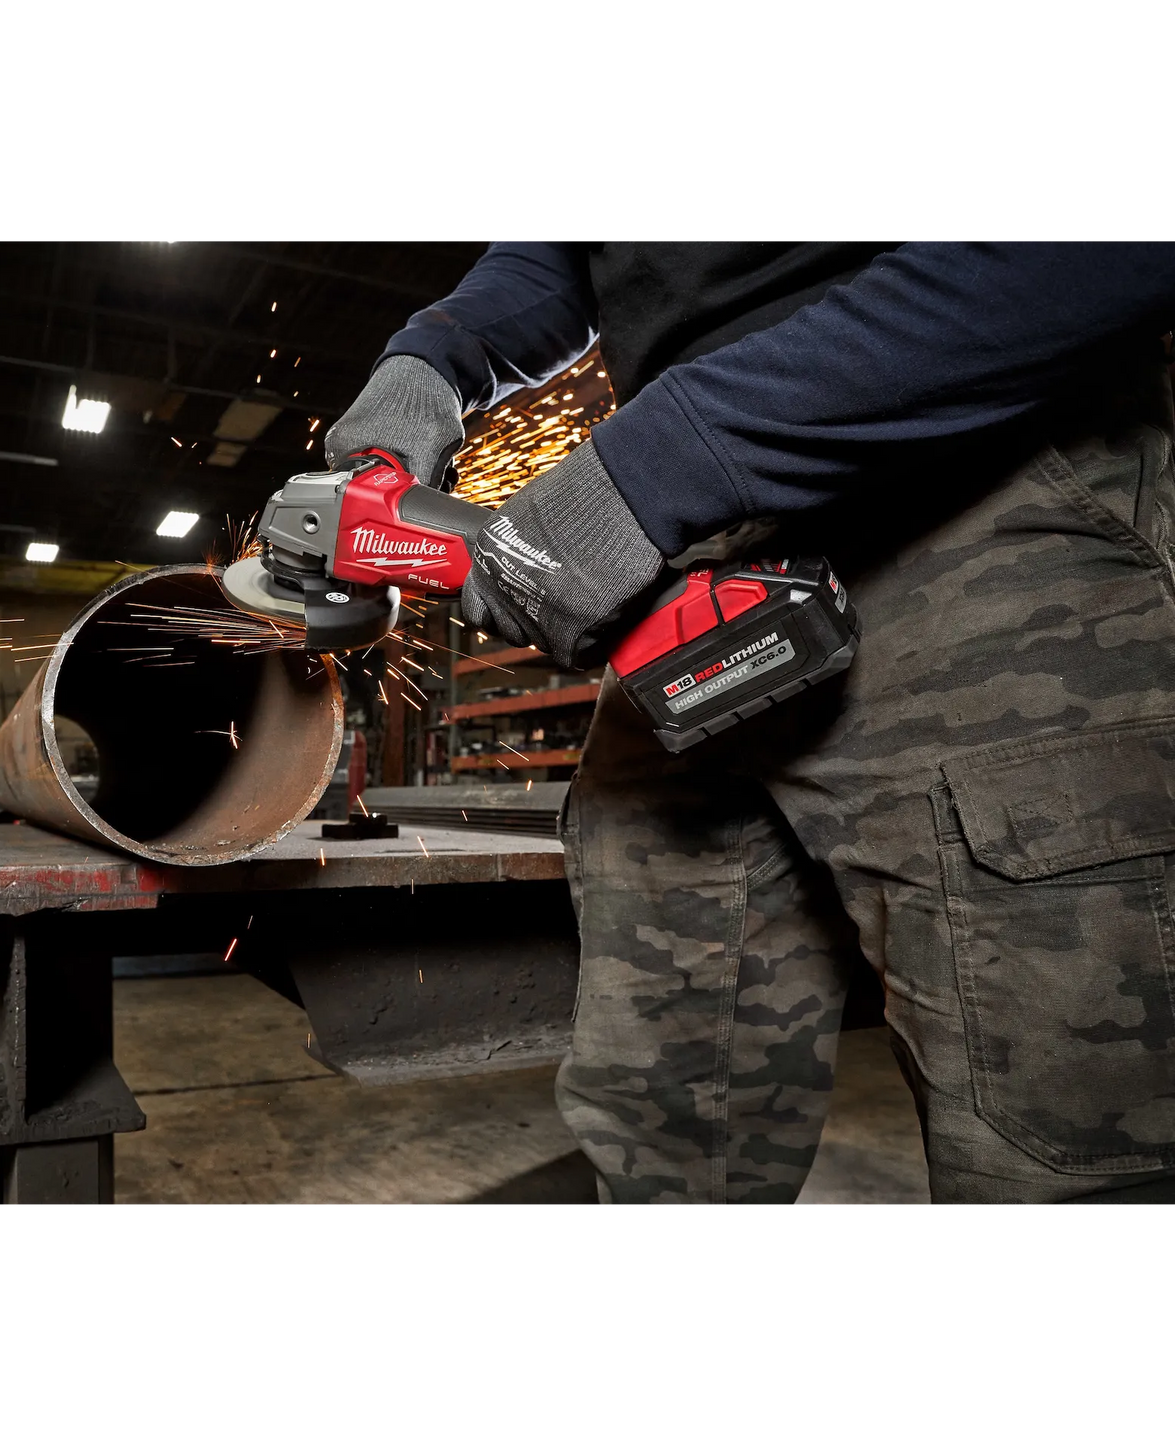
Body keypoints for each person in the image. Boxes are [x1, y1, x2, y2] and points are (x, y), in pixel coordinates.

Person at [326, 238, 1175, 1208]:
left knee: (1071, 1136)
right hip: (690, 561)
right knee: (657, 1136)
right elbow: (564, 250)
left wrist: (654, 464)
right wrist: (431, 357)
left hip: (977, 496)